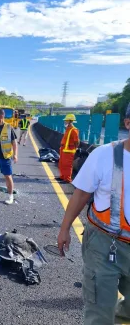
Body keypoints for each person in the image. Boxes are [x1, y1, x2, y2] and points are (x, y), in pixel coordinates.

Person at [57, 104, 130, 325]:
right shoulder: (105, 155)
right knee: (99, 313)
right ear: (128, 123)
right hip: (105, 243)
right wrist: (64, 229)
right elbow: (80, 195)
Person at [58, 114, 80, 183]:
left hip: (69, 150)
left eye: (66, 120)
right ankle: (62, 177)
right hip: (63, 149)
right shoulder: (68, 129)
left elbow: (76, 141)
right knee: (61, 163)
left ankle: (67, 179)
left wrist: (75, 148)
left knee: (67, 165)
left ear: (70, 121)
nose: (65, 122)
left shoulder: (74, 130)